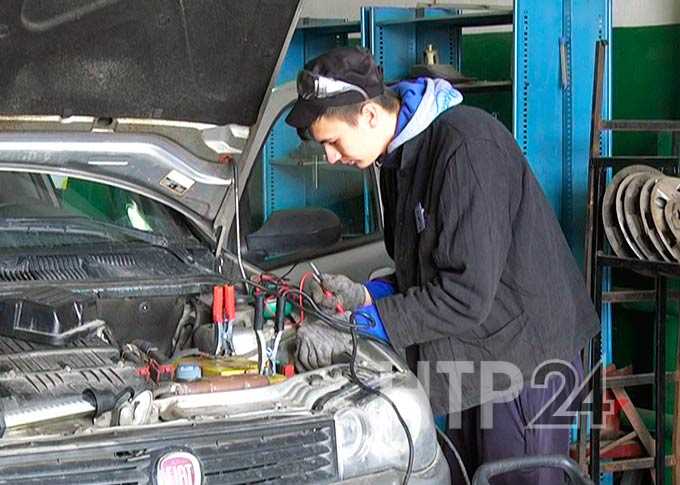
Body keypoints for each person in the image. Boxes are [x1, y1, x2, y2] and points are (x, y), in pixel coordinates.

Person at [286, 46, 599, 484]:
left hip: (526, 362)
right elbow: (430, 269)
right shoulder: (396, 162)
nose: (332, 159)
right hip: (473, 355)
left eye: (333, 142)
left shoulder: (465, 147)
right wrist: (368, 294)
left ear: (371, 115)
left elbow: (465, 293)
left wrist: (357, 327)